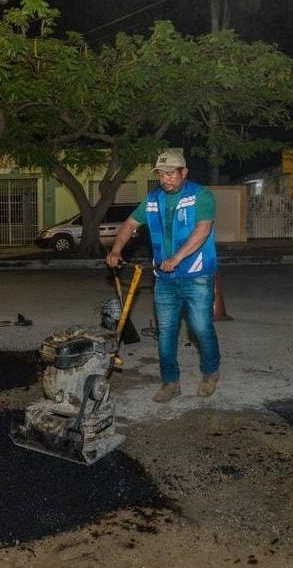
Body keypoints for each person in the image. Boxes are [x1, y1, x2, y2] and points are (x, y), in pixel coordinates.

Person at [106, 149, 221, 403]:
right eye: (161, 174)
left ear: (184, 172)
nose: (165, 179)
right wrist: (116, 249)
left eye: (171, 174)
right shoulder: (152, 199)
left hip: (197, 275)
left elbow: (202, 231)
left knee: (200, 327)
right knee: (166, 331)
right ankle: (171, 382)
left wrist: (177, 259)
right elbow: (128, 225)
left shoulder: (201, 196)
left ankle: (211, 371)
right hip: (164, 279)